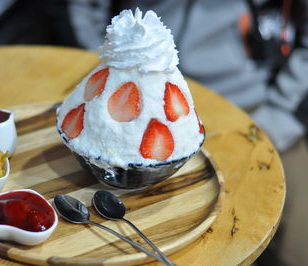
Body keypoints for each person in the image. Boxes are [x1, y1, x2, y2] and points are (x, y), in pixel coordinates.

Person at [65, 0, 308, 265]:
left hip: (255, 104)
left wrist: (279, 118)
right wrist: (107, 71)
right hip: (136, 92)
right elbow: (83, 9)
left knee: (288, 243)